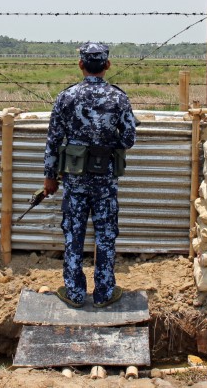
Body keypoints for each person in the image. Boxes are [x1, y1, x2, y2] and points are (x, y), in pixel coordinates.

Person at [43, 42, 137, 308]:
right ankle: (104, 294)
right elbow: (129, 139)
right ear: (107, 65)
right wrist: (105, 148)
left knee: (73, 233)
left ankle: (73, 293)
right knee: (105, 235)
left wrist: (50, 177)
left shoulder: (66, 97)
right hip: (105, 181)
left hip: (74, 180)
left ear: (81, 65)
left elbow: (53, 141)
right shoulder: (119, 98)